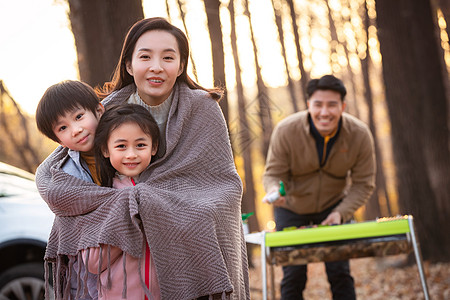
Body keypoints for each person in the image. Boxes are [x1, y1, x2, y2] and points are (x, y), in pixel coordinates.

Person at [36, 17, 249, 300]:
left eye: (168, 57)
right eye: (145, 56)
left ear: (181, 65)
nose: (156, 66)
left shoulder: (202, 108)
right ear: (129, 64)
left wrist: (164, 204)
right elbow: (59, 163)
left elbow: (223, 185)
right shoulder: (108, 110)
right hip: (124, 273)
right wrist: (126, 204)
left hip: (179, 241)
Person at [262, 74, 376, 300]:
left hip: (334, 207)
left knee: (340, 273)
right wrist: (274, 191)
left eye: (332, 105)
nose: (325, 112)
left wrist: (340, 213)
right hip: (291, 208)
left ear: (342, 106)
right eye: (318, 105)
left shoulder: (360, 135)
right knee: (293, 276)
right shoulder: (286, 130)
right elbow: (273, 173)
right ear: (308, 105)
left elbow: (363, 184)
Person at [82, 104, 160, 299]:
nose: (131, 154)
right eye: (121, 146)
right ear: (106, 150)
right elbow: (92, 262)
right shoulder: (103, 199)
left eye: (140, 145)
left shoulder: (165, 191)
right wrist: (131, 220)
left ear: (154, 147)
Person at [35, 80, 104, 299]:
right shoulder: (65, 177)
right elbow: (74, 237)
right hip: (90, 275)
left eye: (79, 117)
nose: (76, 130)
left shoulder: (127, 150)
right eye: (63, 128)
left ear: (99, 111)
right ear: (58, 140)